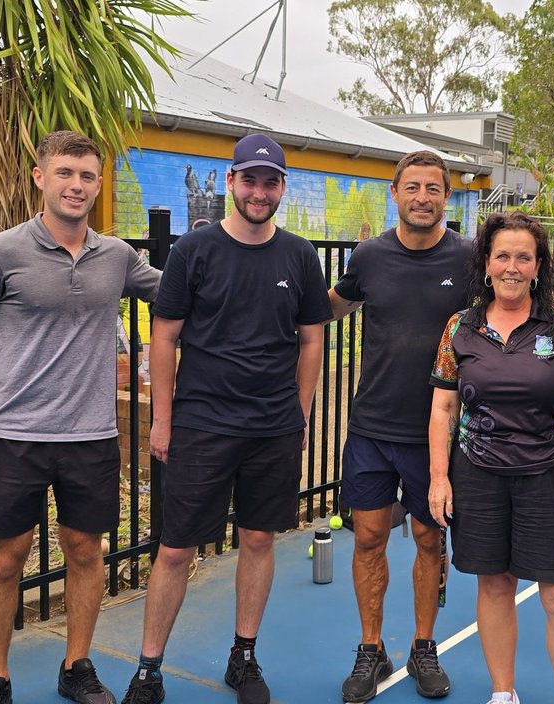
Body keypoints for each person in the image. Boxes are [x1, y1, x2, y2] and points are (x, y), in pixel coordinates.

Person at [327, 151, 554, 703]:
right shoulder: (369, 256)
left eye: (434, 188)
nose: (423, 196)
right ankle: (370, 648)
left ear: (447, 196)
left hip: (440, 438)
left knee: (429, 538)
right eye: (412, 186)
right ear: (394, 192)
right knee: (369, 537)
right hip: (373, 425)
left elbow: (519, 279)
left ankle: (425, 646)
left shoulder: (473, 256)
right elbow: (325, 309)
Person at [0, 130, 161, 704]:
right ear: (40, 177)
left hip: (91, 435)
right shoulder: (0, 252)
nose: (77, 185)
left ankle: (77, 666)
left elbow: (179, 296)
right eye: (65, 173)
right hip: (14, 434)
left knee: (87, 551)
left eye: (87, 176)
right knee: (4, 559)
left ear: (97, 185)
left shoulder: (116, 256)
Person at [120, 133, 332, 704]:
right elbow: (164, 337)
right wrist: (162, 420)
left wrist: (301, 412)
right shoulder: (194, 251)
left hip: (272, 426)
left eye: (270, 182)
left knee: (259, 539)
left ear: (282, 187)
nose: (259, 191)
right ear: (232, 182)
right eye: (249, 180)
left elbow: (311, 341)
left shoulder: (299, 256)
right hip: (202, 422)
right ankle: (148, 668)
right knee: (174, 548)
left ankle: (244, 657)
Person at [427, 211, 554, 704]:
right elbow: (443, 408)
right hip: (477, 474)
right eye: (501, 255)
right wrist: (440, 479)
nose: (511, 266)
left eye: (524, 257)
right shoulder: (460, 327)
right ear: (485, 263)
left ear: (539, 266)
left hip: (549, 475)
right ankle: (503, 693)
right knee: (496, 584)